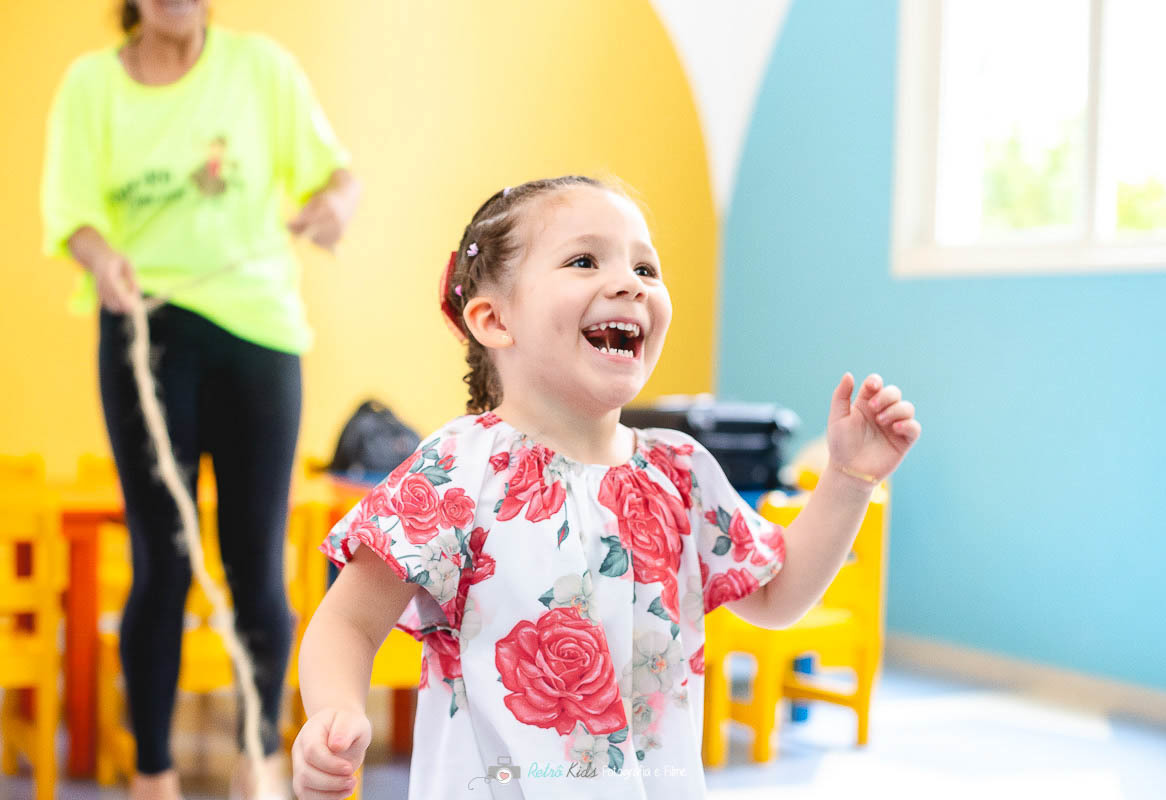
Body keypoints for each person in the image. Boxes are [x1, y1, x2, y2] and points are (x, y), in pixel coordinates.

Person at [291, 176, 920, 799]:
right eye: (585, 260)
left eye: (646, 268)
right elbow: (347, 622)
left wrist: (849, 477)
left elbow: (777, 595)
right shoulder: (457, 468)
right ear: (493, 319)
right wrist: (333, 712)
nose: (630, 284)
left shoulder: (680, 471)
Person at [40, 2, 360, 798]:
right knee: (162, 563)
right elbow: (72, 214)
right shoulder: (90, 87)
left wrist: (335, 207)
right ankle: (153, 774)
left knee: (256, 563)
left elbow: (339, 176)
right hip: (144, 337)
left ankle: (257, 761)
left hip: (258, 341)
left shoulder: (262, 70)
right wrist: (102, 254)